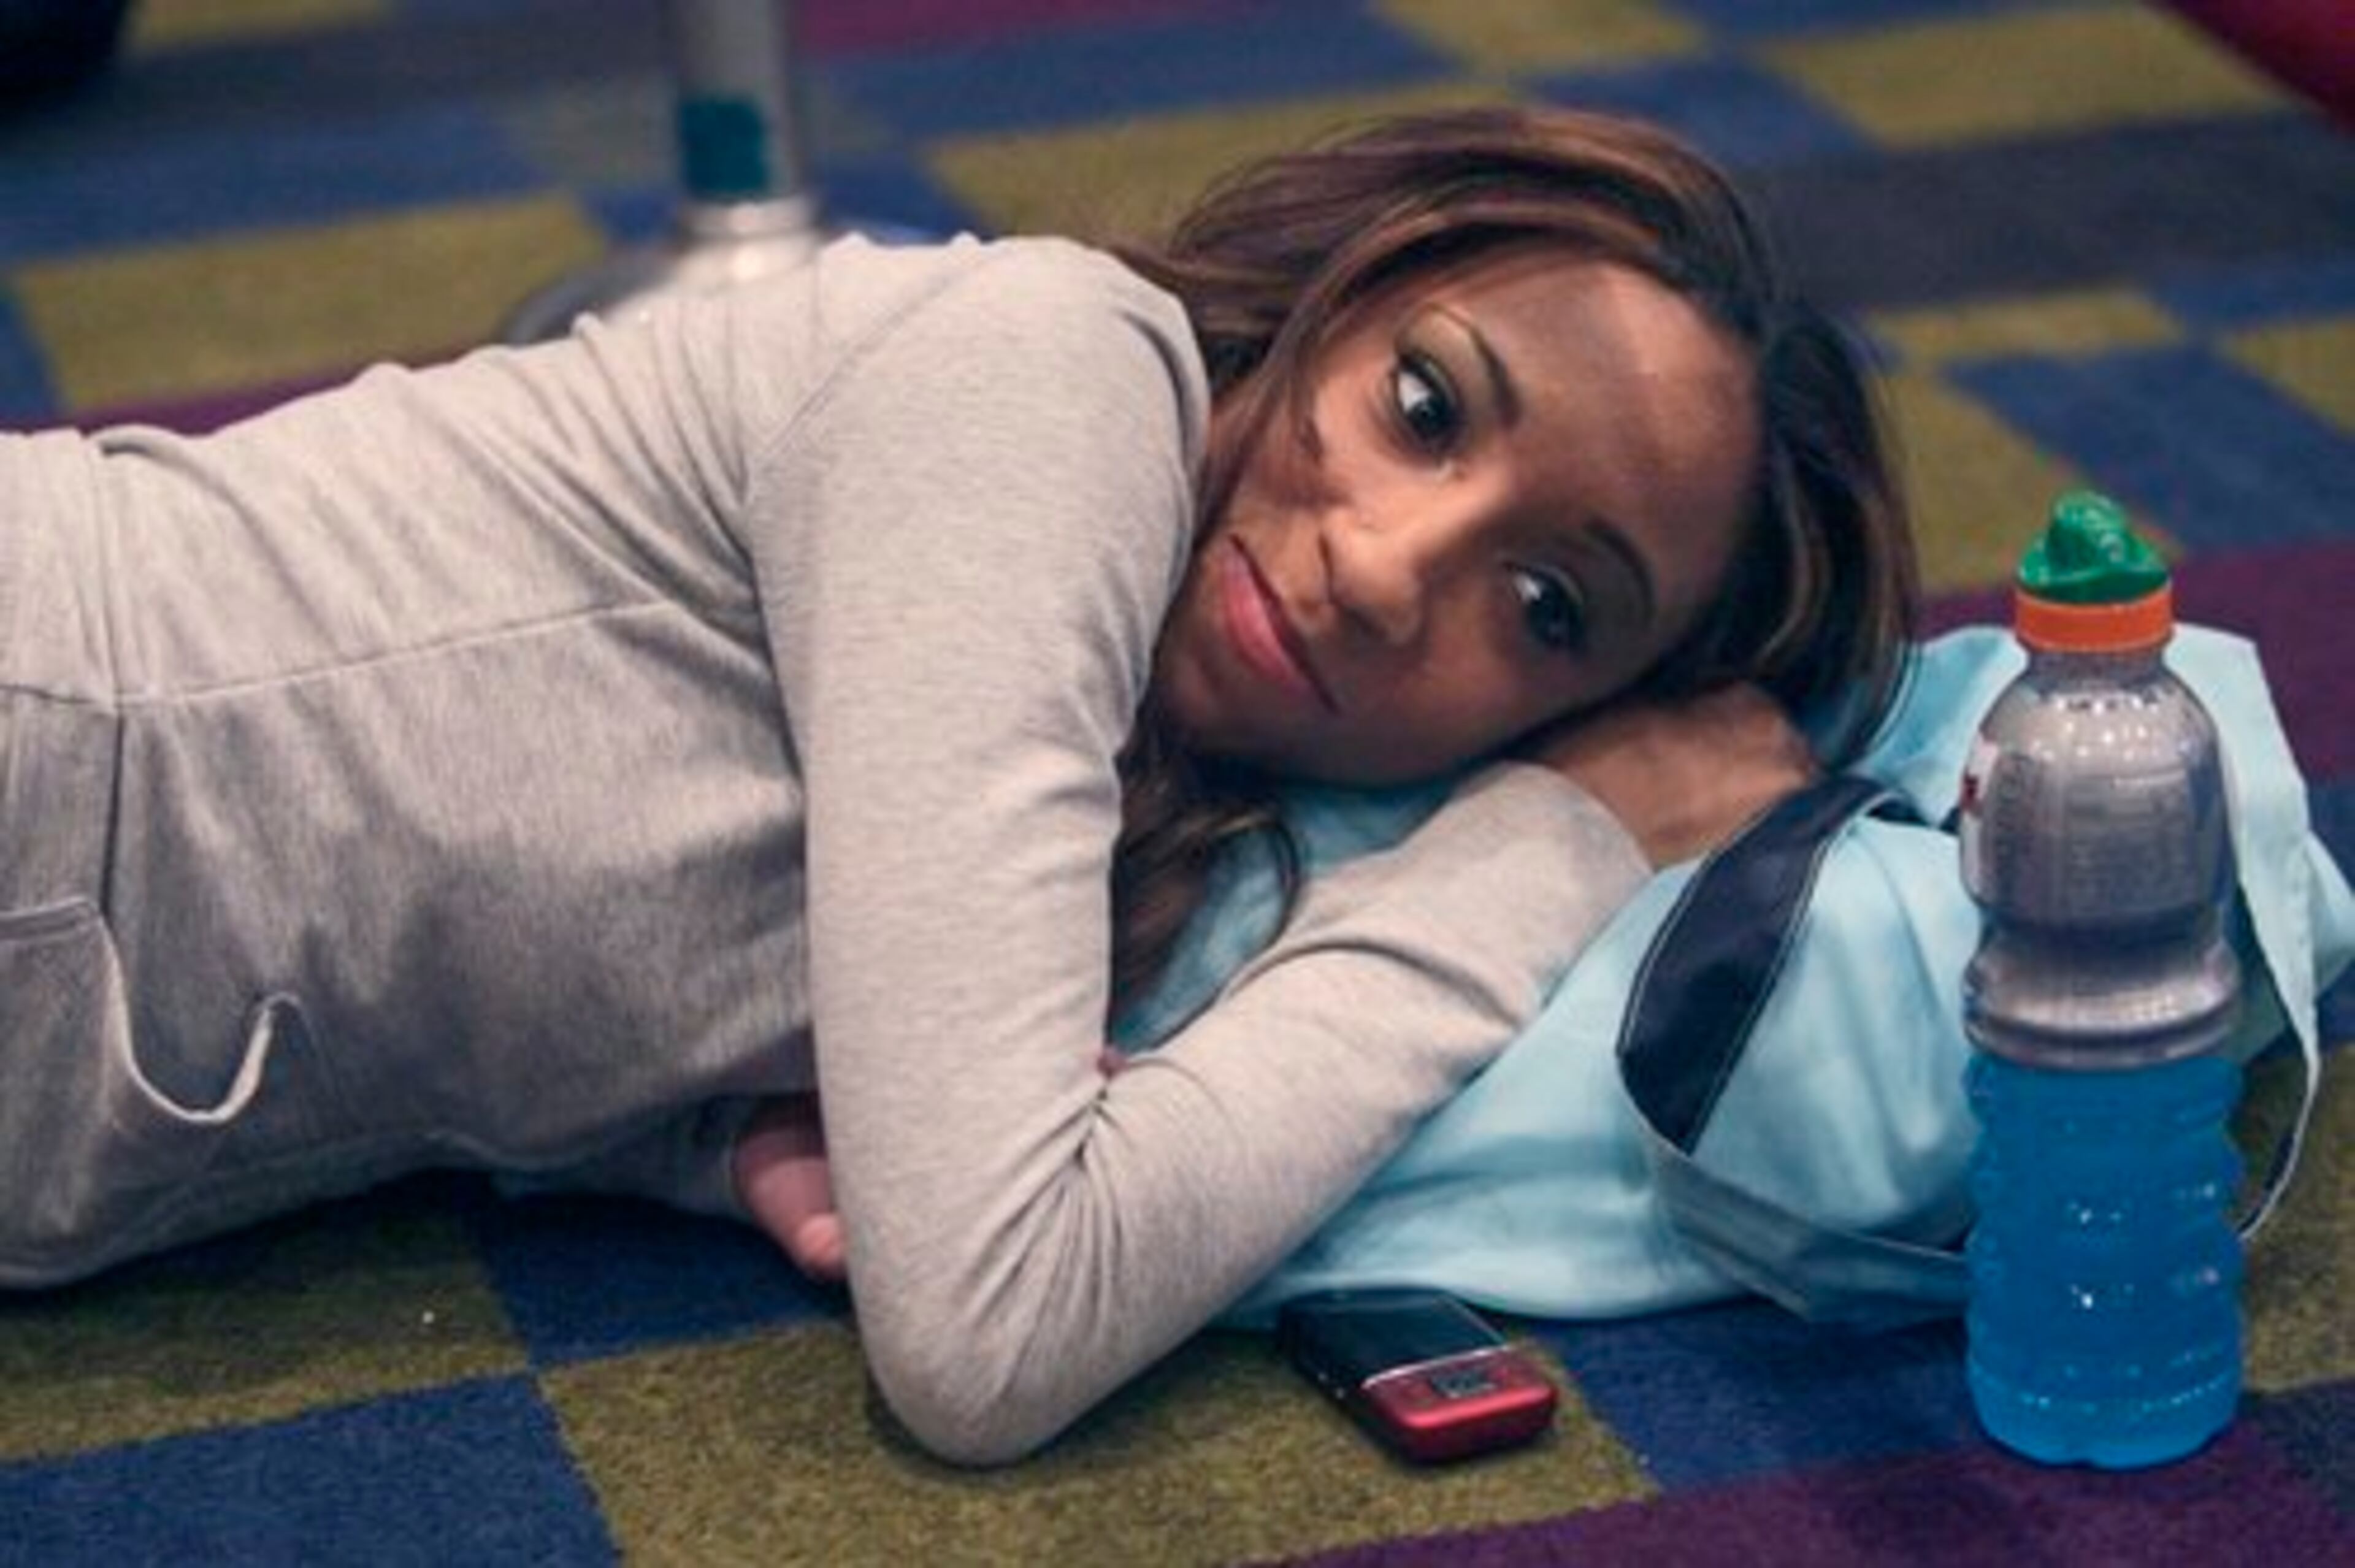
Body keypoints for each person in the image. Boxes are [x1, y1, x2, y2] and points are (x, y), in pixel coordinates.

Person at [0, 106, 1912, 1464]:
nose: (1388, 568)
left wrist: (653, 1120)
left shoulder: (1136, 789)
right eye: (1424, 404)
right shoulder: (1048, 380)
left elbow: (468, 781)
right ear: (1344, 289)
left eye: (1550, 605)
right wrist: (1554, 841)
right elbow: (991, 1337)